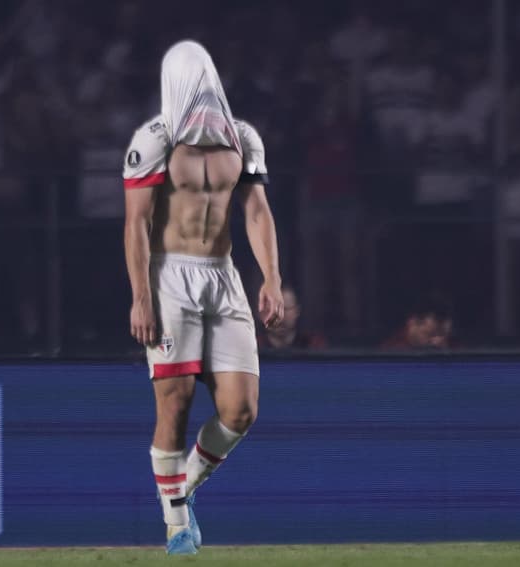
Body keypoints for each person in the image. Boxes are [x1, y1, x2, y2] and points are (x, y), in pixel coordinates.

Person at [122, 41, 283, 555]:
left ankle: (180, 492)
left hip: (222, 274)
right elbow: (137, 224)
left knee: (241, 410)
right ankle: (175, 528)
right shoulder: (154, 141)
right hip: (171, 276)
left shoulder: (243, 139)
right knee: (176, 403)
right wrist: (141, 297)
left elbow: (257, 212)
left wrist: (272, 278)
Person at [257, 286, 326, 350]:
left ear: (297, 311)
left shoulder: (314, 346)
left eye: (286, 309)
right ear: (262, 314)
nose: (279, 316)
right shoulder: (253, 347)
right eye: (273, 310)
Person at [381, 294, 454, 350]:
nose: (437, 341)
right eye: (432, 335)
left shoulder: (453, 347)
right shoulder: (392, 352)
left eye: (442, 336)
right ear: (412, 323)